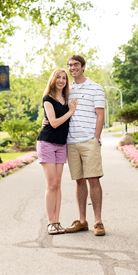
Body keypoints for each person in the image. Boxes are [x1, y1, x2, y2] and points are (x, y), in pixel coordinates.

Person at [51, 55, 107, 236]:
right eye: (69, 65)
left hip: (89, 141)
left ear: (83, 66)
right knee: (79, 181)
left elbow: (100, 115)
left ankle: (98, 221)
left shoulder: (96, 88)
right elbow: (57, 108)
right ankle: (82, 221)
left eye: (75, 65)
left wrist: (95, 138)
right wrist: (47, 120)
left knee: (93, 179)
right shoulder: (67, 89)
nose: (72, 68)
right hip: (71, 142)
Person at [37, 68, 78, 235]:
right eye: (58, 78)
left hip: (62, 144)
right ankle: (50, 222)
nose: (61, 80)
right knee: (52, 184)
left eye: (64, 78)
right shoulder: (48, 98)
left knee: (58, 184)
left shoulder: (67, 98)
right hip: (47, 143)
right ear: (53, 80)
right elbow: (53, 123)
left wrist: (69, 109)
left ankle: (57, 221)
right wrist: (70, 111)